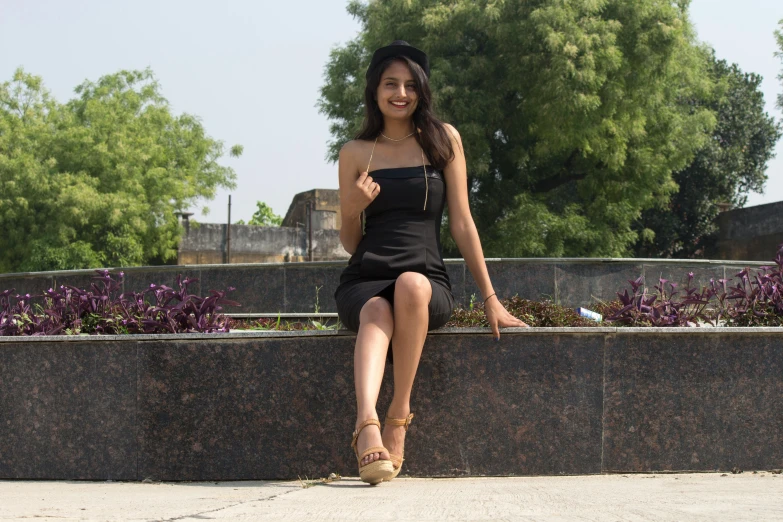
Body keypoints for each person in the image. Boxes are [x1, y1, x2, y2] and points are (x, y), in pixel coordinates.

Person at [334, 40, 529, 485]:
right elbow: (350, 242)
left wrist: (490, 297)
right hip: (365, 277)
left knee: (411, 285)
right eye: (390, 84)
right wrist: (351, 207)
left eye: (409, 85)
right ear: (375, 90)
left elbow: (462, 221)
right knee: (376, 308)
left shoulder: (443, 139)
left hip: (426, 281)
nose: (400, 93)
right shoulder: (354, 152)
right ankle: (367, 427)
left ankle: (397, 416)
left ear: (421, 90)